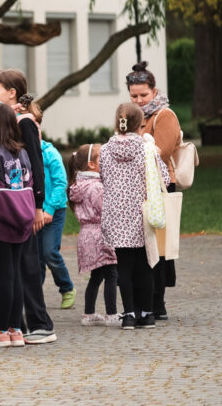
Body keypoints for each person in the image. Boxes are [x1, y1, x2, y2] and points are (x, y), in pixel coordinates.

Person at [0, 69, 57, 344]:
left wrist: (39, 205)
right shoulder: (15, 119)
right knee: (21, 265)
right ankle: (27, 323)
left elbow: (36, 165)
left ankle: (41, 322)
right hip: (23, 202)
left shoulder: (25, 123)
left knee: (29, 265)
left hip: (26, 202)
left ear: (11, 93)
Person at [100, 102, 169, 330]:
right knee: (145, 265)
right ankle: (147, 314)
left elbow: (102, 176)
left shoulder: (106, 149)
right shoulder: (146, 148)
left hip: (116, 214)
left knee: (123, 267)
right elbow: (164, 180)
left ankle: (128, 314)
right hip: (141, 215)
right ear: (140, 124)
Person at [0, 104, 35, 348]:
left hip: (1, 222)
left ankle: (1, 331)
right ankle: (16, 330)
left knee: (3, 274)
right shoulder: (21, 152)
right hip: (22, 219)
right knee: (16, 274)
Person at [127, 61, 180, 321]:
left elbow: (163, 151)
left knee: (159, 247)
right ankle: (145, 300)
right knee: (141, 246)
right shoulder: (132, 115)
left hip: (160, 185)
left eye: (143, 95)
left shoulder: (164, 115)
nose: (138, 100)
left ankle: (158, 302)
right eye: (133, 96)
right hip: (137, 187)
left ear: (154, 91)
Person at [67, 143, 120, 326]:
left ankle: (88, 313)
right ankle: (111, 313)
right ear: (91, 164)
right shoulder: (96, 187)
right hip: (100, 233)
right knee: (111, 273)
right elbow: (106, 210)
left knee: (97, 276)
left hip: (87, 235)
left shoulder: (79, 185)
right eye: (101, 159)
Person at [38, 136, 75, 308]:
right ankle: (35, 295)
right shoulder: (22, 153)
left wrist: (50, 209)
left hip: (54, 210)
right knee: (36, 257)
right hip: (36, 213)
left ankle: (67, 287)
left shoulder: (50, 153)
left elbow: (61, 183)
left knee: (49, 252)